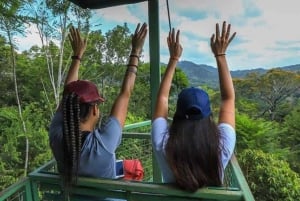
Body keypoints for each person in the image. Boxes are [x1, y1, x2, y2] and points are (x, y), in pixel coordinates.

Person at [49, 22, 147, 195]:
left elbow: (68, 94)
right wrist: (136, 52)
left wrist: (77, 56)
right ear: (94, 109)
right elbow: (125, 93)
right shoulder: (103, 144)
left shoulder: (57, 135)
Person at [151, 21, 236, 192]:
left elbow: (162, 97)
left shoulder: (163, 143)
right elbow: (228, 98)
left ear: (177, 115)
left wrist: (173, 59)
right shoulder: (222, 145)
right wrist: (220, 55)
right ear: (209, 116)